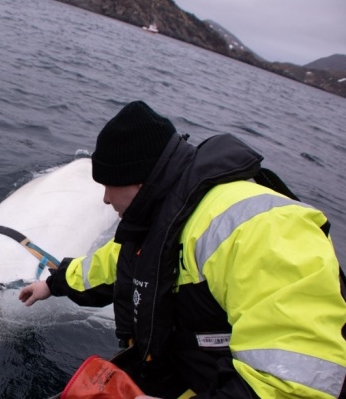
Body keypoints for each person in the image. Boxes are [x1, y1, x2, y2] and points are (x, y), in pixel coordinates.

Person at [19, 101, 346, 398]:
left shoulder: (264, 230)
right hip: (188, 367)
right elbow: (121, 264)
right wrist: (53, 284)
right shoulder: (167, 214)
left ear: (138, 181)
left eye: (108, 185)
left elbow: (294, 385)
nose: (105, 199)